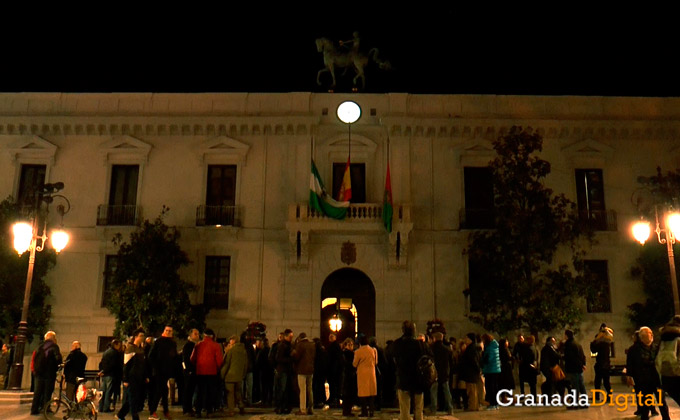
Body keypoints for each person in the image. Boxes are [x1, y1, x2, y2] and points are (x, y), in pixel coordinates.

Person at [627, 327, 671, 420]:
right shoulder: (634, 349)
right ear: (642, 337)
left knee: (662, 402)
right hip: (643, 380)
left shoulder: (656, 347)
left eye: (651, 333)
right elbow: (630, 364)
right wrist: (629, 376)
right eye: (649, 333)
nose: (651, 335)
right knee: (645, 403)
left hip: (656, 379)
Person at [392, 321, 428, 420]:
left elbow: (394, 360)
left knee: (404, 408)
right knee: (418, 407)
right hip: (418, 379)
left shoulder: (397, 343)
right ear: (414, 330)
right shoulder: (420, 344)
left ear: (403, 330)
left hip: (403, 378)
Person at [116, 328, 148, 420]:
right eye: (140, 336)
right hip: (132, 377)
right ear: (135, 337)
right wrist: (125, 379)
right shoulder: (130, 348)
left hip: (139, 377)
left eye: (143, 336)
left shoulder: (141, 349)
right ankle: (135, 417)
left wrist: (145, 376)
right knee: (133, 399)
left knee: (133, 398)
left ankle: (120, 415)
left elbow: (143, 364)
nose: (142, 338)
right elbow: (126, 365)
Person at [191, 328, 223, 418]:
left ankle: (198, 411)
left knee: (200, 391)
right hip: (212, 372)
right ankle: (209, 411)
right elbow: (219, 361)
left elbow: (192, 359)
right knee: (210, 392)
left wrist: (197, 365)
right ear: (212, 336)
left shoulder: (198, 345)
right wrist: (217, 368)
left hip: (200, 372)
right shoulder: (216, 346)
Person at [148, 325, 178, 420]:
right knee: (160, 391)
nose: (168, 332)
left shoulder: (173, 343)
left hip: (167, 371)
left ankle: (164, 411)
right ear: (164, 331)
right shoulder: (158, 342)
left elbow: (174, 357)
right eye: (167, 330)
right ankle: (153, 412)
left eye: (170, 331)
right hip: (159, 371)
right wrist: (155, 367)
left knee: (164, 391)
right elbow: (151, 356)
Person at [30, 331, 62, 415]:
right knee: (47, 392)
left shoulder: (39, 346)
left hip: (38, 373)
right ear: (53, 338)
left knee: (37, 392)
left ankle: (34, 409)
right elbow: (58, 359)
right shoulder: (54, 346)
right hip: (49, 373)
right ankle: (46, 408)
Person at [221, 335, 248, 416]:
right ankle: (241, 406)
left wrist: (222, 375)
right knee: (238, 392)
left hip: (230, 376)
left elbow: (226, 364)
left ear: (233, 341)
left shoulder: (231, 350)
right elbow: (246, 364)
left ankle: (231, 410)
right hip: (239, 376)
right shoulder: (243, 350)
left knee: (230, 394)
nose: (229, 342)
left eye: (230, 340)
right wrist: (243, 374)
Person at [428, 332, 454, 415]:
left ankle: (433, 409)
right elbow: (451, 361)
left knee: (433, 391)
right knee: (446, 390)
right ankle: (450, 408)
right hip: (444, 372)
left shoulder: (431, 348)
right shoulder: (447, 349)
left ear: (434, 338)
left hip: (434, 372)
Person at [657, 315, 680, 406]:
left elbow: (659, 358)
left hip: (665, 377)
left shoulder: (663, 339)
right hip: (677, 376)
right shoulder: (678, 339)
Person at [292, 332, 315, 415]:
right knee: (310, 389)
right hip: (310, 370)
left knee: (302, 390)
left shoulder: (300, 345)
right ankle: (311, 408)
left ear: (300, 338)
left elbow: (296, 356)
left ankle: (303, 409)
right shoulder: (312, 345)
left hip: (302, 370)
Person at [562, 329, 587, 409]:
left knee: (575, 387)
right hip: (579, 368)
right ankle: (584, 403)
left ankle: (575, 404)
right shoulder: (577, 344)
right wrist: (583, 364)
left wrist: (563, 357)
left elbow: (569, 357)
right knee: (581, 386)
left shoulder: (568, 344)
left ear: (566, 335)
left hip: (573, 368)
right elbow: (582, 355)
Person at [353, 335, 377, 417]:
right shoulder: (373, 350)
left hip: (362, 374)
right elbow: (376, 362)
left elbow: (354, 364)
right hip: (372, 373)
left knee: (363, 394)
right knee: (371, 393)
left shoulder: (358, 352)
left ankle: (364, 411)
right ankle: (371, 411)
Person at [590, 325, 614, 401]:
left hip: (600, 364)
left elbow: (593, 350)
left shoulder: (601, 343)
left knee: (598, 382)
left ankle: (597, 396)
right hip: (606, 365)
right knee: (606, 382)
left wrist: (594, 341)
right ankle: (609, 396)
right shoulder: (608, 342)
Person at [274, 329, 294, 415]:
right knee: (282, 389)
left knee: (285, 389)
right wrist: (290, 358)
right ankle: (280, 407)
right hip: (283, 370)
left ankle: (284, 406)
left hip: (286, 370)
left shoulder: (288, 345)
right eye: (290, 337)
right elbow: (278, 358)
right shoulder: (282, 346)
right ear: (286, 336)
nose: (291, 338)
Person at [99, 339, 122, 413]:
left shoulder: (106, 352)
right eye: (119, 345)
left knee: (104, 392)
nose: (120, 347)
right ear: (116, 344)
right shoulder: (115, 353)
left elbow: (102, 362)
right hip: (111, 374)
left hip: (105, 374)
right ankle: (106, 407)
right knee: (108, 392)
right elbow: (114, 365)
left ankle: (101, 407)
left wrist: (102, 371)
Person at [181, 328, 199, 416]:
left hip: (192, 371)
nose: (197, 336)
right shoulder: (189, 346)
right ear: (191, 335)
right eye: (195, 334)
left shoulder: (194, 345)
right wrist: (187, 370)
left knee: (190, 390)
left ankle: (188, 408)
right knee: (188, 390)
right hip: (189, 372)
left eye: (198, 334)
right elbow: (185, 359)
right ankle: (186, 408)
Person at [481, 334, 500, 410]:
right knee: (494, 387)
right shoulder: (494, 346)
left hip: (490, 369)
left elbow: (488, 359)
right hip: (495, 369)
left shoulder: (490, 348)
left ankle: (493, 404)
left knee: (490, 387)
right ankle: (495, 403)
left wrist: (482, 360)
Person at [341, 338, 358, 417]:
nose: (351, 346)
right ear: (345, 345)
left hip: (350, 375)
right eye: (349, 345)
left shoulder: (351, 353)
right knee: (347, 394)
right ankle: (346, 410)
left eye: (352, 345)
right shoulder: (346, 354)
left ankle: (348, 410)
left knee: (350, 394)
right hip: (348, 375)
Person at [327, 333, 343, 408]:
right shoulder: (337, 346)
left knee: (333, 385)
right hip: (336, 369)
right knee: (336, 385)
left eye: (332, 337)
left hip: (333, 369)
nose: (330, 338)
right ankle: (335, 398)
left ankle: (334, 398)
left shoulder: (332, 347)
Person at [497, 338, 515, 402]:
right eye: (506, 342)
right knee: (505, 383)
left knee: (507, 383)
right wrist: (511, 358)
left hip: (507, 368)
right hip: (505, 368)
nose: (507, 343)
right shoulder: (502, 350)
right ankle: (505, 397)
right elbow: (507, 358)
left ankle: (508, 396)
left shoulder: (507, 349)